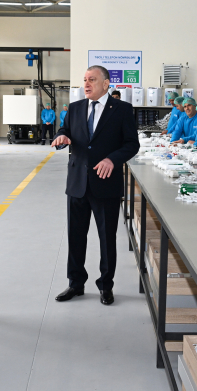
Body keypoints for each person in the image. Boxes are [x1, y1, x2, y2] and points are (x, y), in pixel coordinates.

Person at [51, 65, 140, 305]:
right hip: (77, 182)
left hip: (105, 183)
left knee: (107, 238)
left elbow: (132, 144)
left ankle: (106, 285)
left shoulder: (122, 110)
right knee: (75, 237)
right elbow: (64, 130)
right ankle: (75, 283)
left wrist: (112, 159)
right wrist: (61, 137)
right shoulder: (75, 108)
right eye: (85, 80)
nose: (86, 84)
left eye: (92, 79)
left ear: (105, 83)